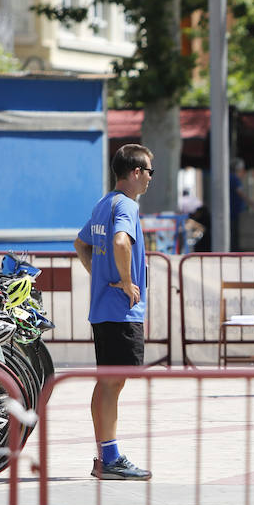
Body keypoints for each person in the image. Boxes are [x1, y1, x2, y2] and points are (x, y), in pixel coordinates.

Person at [73, 144, 153, 480]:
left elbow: (80, 243)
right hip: (120, 311)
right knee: (113, 383)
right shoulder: (127, 206)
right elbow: (121, 242)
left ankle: (106, 453)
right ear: (135, 172)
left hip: (104, 309)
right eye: (149, 171)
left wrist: (100, 273)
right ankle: (110, 458)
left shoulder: (104, 202)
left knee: (108, 383)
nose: (150, 178)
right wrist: (125, 280)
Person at [229, 159, 247, 252]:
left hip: (232, 211)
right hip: (234, 211)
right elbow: (241, 193)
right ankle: (234, 250)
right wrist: (253, 204)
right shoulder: (234, 179)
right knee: (234, 233)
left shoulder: (229, 177)